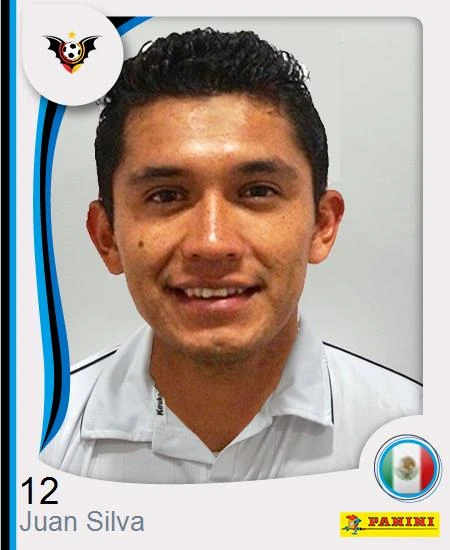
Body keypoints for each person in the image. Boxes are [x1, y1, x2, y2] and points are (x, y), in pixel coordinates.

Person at [40, 28, 422, 483]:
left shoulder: (417, 430)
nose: (212, 243)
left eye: (258, 191)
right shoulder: (31, 438)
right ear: (107, 237)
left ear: (322, 225)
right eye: (166, 195)